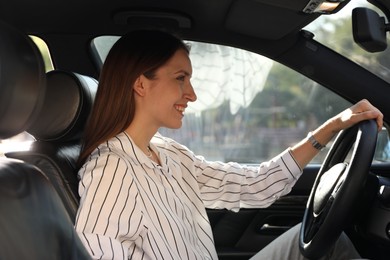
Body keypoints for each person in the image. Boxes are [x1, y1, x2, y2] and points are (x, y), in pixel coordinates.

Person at [74, 29, 383, 260]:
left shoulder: (169, 154)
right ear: (140, 83)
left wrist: (330, 129)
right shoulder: (110, 169)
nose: (192, 94)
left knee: (333, 244)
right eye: (181, 78)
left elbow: (254, 184)